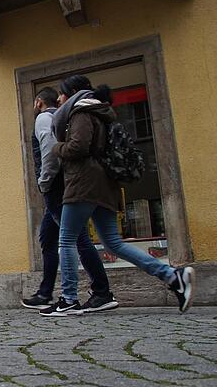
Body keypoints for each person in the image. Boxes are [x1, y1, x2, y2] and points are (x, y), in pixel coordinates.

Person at [40, 75, 195, 316]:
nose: (59, 98)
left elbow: (78, 147)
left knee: (66, 239)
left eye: (61, 93)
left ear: (72, 94)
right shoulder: (100, 112)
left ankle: (68, 299)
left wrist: (56, 147)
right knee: (114, 243)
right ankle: (173, 276)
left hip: (84, 183)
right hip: (104, 184)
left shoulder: (81, 112)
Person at [22, 87, 118, 313]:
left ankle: (101, 291)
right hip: (62, 185)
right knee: (48, 237)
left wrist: (44, 181)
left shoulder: (44, 118)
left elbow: (49, 151)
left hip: (55, 186)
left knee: (77, 239)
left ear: (38, 102)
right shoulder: (63, 117)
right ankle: (45, 292)